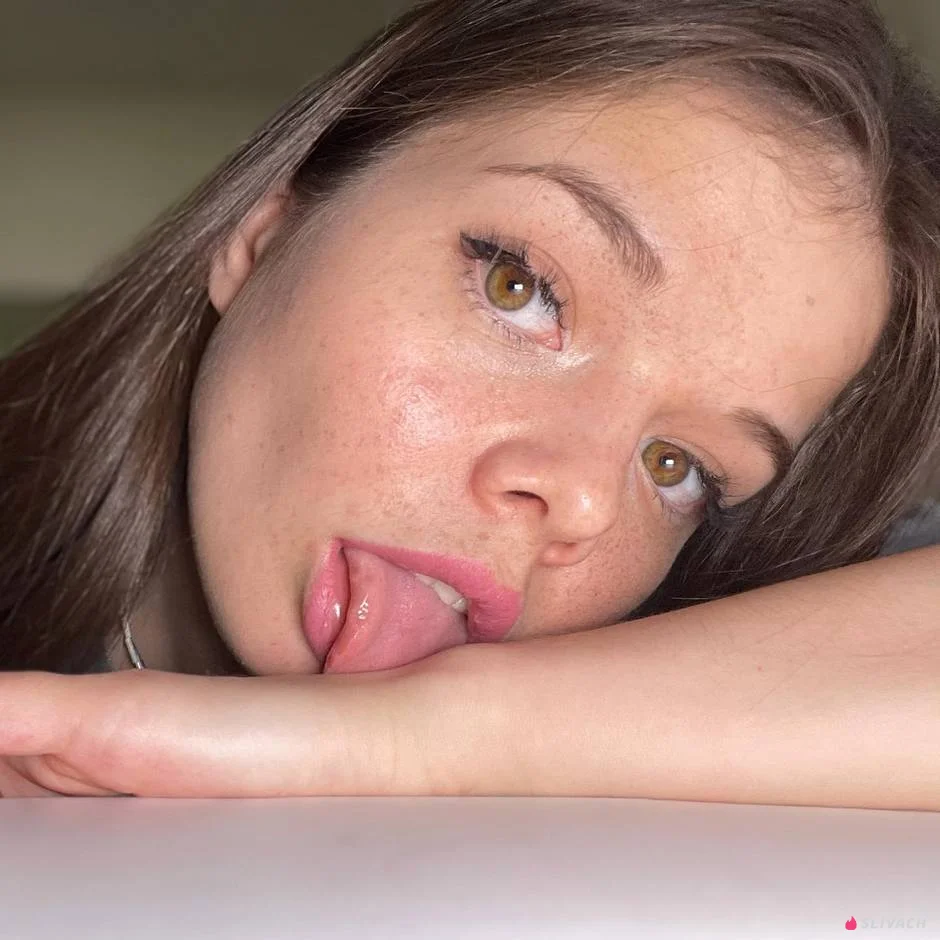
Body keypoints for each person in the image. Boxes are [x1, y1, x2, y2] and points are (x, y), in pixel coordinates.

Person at [0, 0, 938, 803]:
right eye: (520, 290)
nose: (581, 500)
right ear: (268, 231)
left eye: (677, 468)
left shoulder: (772, 635)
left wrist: (422, 736)